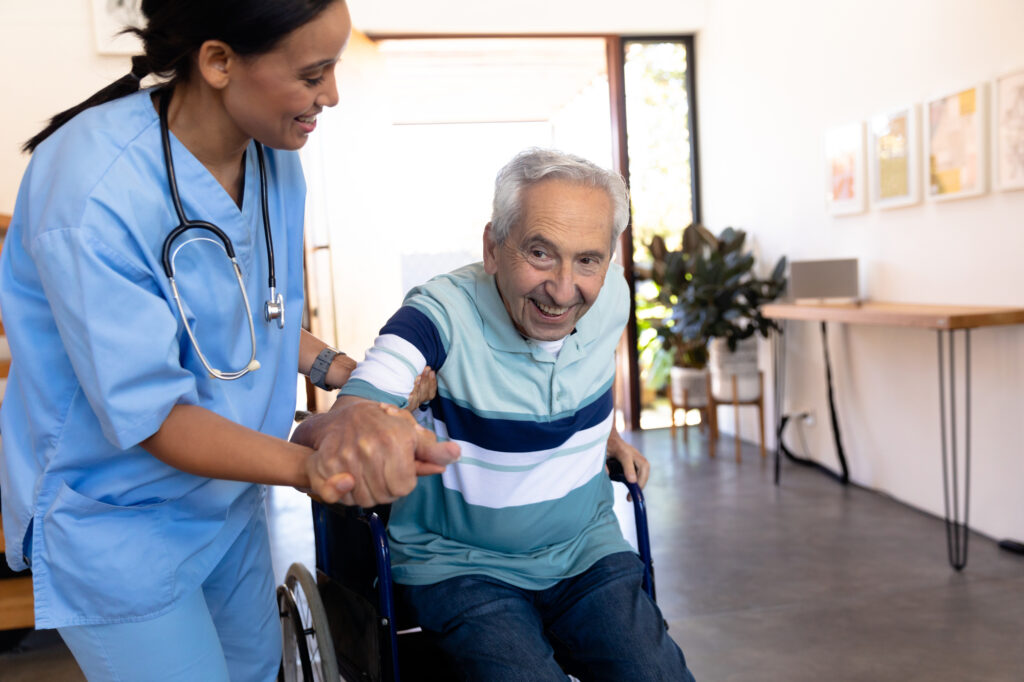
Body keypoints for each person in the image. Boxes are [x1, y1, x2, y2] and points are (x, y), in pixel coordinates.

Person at [0, 1, 457, 680]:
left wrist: (337, 369)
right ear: (218, 61)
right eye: (313, 74)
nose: (331, 95)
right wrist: (311, 465)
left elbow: (241, 313)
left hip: (227, 498)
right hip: (119, 523)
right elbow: (152, 414)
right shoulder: (92, 190)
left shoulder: (275, 161)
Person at [335, 148, 696, 681]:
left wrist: (606, 434)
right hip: (464, 566)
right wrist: (382, 413)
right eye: (540, 253)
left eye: (587, 259)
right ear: (492, 248)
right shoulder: (441, 314)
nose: (563, 288)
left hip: (584, 550)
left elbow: (584, 375)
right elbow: (356, 411)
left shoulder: (612, 295)